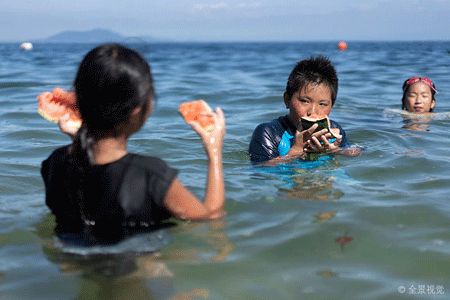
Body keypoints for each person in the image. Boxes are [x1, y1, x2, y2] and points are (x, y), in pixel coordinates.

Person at [41, 43, 226, 246]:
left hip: (72, 263)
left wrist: (79, 139)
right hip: (134, 269)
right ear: (137, 111)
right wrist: (214, 150)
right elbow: (209, 216)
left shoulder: (55, 164)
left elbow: (94, 186)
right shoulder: (151, 174)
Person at [248, 55, 358, 165]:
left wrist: (336, 151)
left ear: (332, 105)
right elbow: (261, 168)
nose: (313, 112)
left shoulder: (334, 130)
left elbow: (357, 152)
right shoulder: (269, 132)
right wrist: (297, 149)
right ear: (287, 100)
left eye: (323, 104)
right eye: (305, 101)